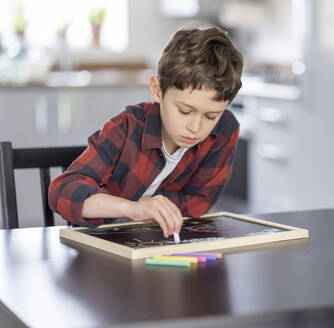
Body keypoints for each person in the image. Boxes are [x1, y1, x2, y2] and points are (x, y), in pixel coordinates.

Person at [48, 25, 244, 238]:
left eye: (211, 116)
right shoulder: (126, 128)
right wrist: (133, 208)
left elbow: (198, 204)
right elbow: (63, 191)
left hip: (159, 242)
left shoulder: (224, 130)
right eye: (185, 111)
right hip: (102, 243)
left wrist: (157, 205)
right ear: (157, 90)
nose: (195, 128)